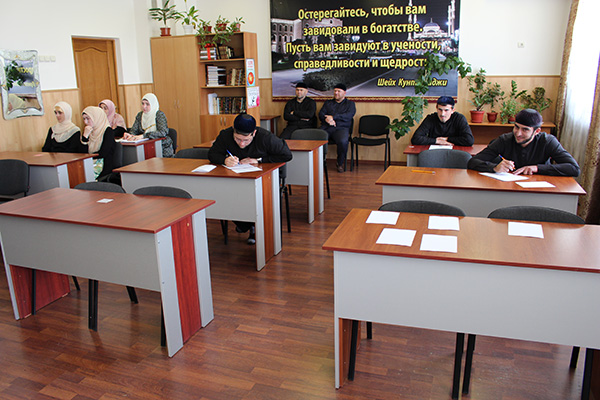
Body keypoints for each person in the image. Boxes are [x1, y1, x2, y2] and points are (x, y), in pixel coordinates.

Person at [208, 113, 293, 244]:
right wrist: (224, 160)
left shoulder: (265, 137)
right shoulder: (225, 135)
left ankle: (254, 226)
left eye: (246, 140)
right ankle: (245, 224)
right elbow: (212, 154)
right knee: (224, 194)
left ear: (253, 133)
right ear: (233, 131)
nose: (242, 144)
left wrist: (259, 160)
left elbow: (287, 155)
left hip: (265, 179)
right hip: (237, 179)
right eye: (237, 139)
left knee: (257, 197)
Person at [467, 108, 580, 176]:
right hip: (509, 188)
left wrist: (537, 168)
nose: (518, 133)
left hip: (540, 189)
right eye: (516, 127)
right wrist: (494, 167)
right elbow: (473, 162)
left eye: (525, 130)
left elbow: (574, 168)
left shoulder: (548, 141)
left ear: (537, 131)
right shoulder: (505, 140)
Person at [319, 83, 356, 172]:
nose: (336, 93)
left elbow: (349, 115)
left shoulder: (350, 104)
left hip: (341, 128)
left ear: (344, 93)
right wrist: (328, 120)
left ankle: (340, 163)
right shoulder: (328, 103)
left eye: (339, 91)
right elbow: (321, 114)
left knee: (343, 141)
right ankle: (320, 162)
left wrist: (333, 117)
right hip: (327, 127)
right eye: (335, 91)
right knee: (317, 138)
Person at [123, 93, 173, 157]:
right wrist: (130, 135)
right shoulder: (140, 115)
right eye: (142, 103)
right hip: (144, 146)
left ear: (153, 104)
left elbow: (162, 132)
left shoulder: (159, 115)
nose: (144, 106)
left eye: (147, 104)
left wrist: (144, 136)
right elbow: (134, 130)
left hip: (161, 146)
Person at [78, 106, 116, 180]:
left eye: (88, 118)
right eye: (84, 119)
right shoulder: (89, 132)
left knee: (82, 175)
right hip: (90, 162)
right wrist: (85, 137)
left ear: (96, 117)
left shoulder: (108, 131)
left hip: (103, 164)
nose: (85, 122)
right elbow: (81, 153)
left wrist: (88, 157)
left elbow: (103, 153)